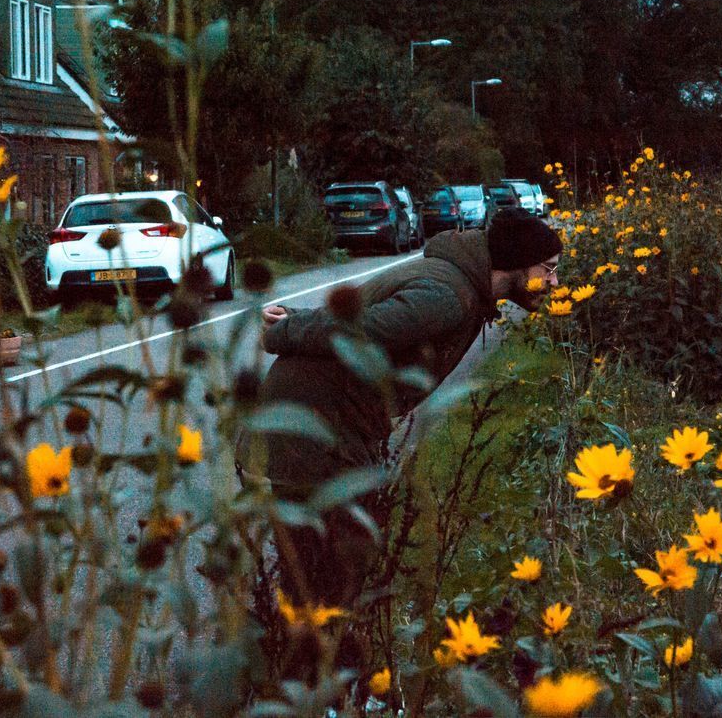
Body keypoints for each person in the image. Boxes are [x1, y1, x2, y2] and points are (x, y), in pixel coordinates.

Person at [237, 207, 563, 610]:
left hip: (331, 420)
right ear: (516, 261)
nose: (554, 281)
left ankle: (312, 655)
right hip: (312, 424)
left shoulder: (456, 286)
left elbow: (359, 315)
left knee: (335, 563)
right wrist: (286, 329)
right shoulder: (448, 296)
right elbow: (362, 332)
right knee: (319, 569)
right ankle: (301, 660)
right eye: (547, 269)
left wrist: (295, 316)